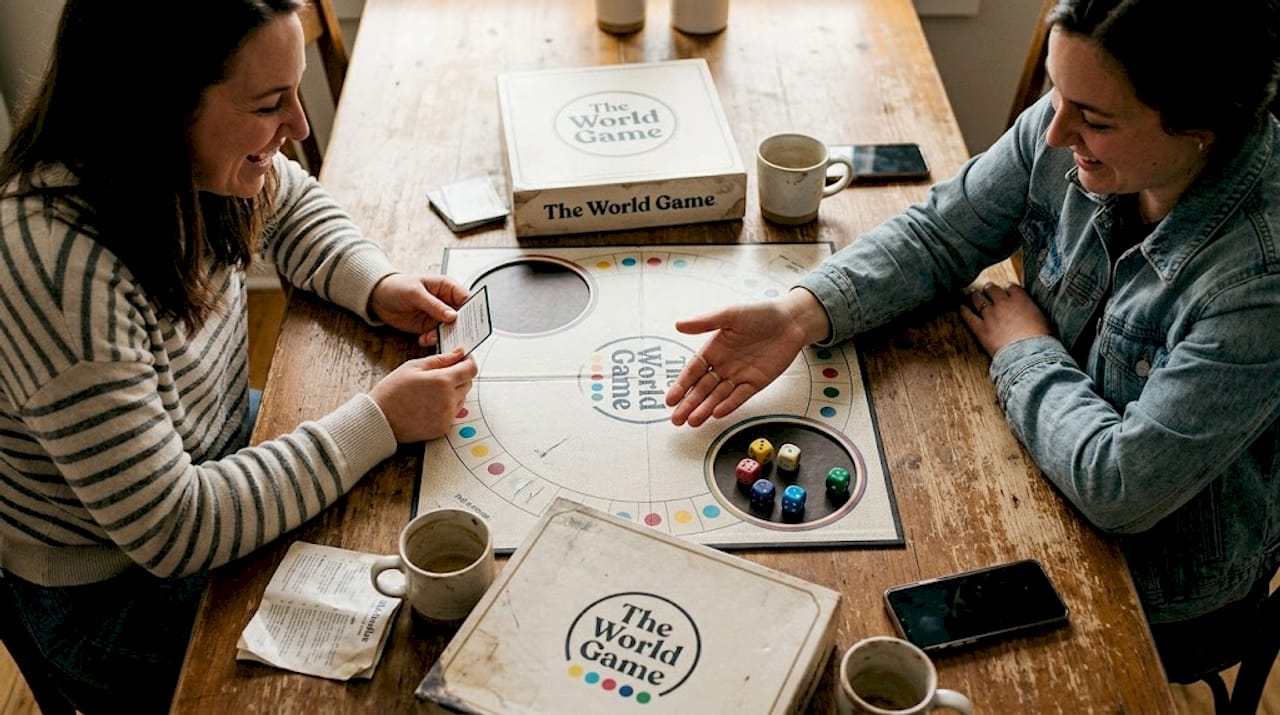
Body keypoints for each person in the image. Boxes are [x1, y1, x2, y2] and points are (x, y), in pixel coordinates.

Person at [665, 0, 1280, 683]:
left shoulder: (1261, 282)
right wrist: (799, 313)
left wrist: (1023, 349)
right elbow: (941, 234)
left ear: (1199, 128)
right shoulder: (1070, 116)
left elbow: (1122, 487)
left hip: (1159, 588)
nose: (1053, 134)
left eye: (1094, 120)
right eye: (1055, 90)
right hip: (1033, 460)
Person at [0, 1, 477, 711]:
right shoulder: (54, 272)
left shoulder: (190, 164)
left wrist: (375, 282)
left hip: (217, 449)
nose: (299, 127)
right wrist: (376, 419)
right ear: (157, 107)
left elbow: (287, 201)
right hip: (116, 589)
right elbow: (174, 525)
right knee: (386, 669)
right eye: (268, 105)